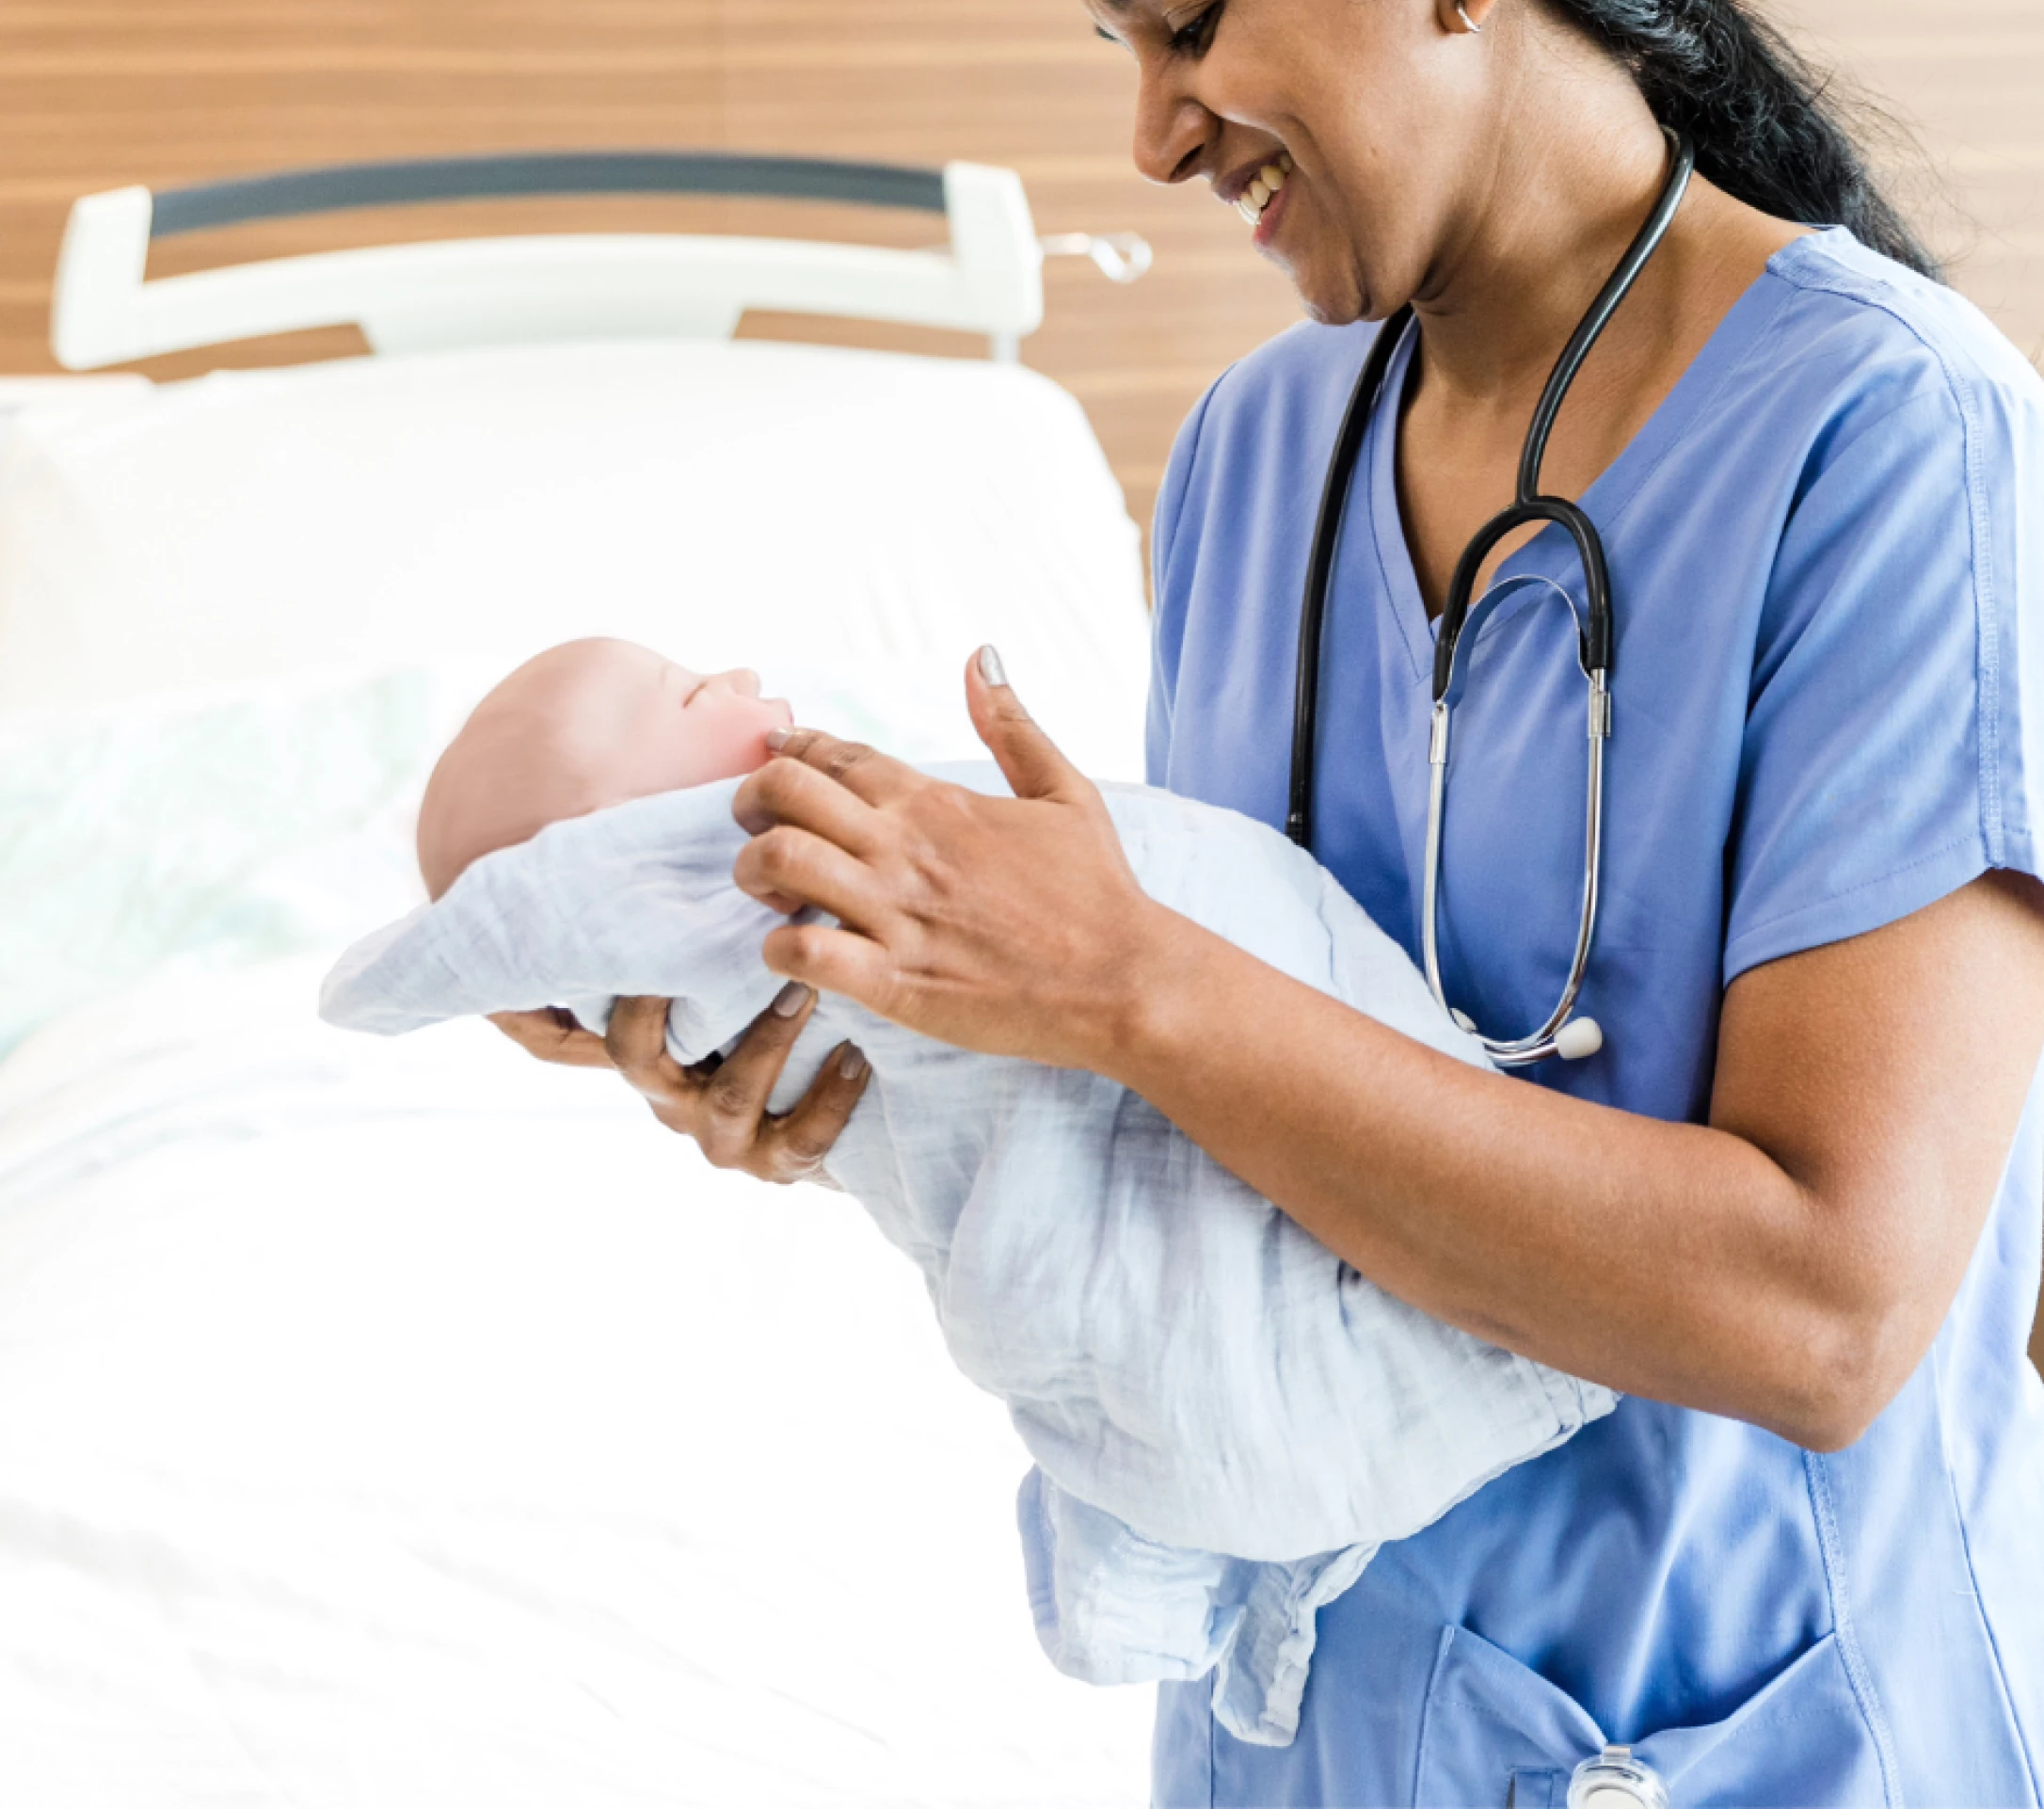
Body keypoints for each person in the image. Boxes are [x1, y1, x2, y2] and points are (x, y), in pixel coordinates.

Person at [491, 0, 2044, 1804]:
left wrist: (1121, 981)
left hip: (1764, 1714)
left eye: (1189, 22)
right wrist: (855, 1030)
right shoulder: (1258, 454)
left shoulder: (1896, 447)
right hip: (1314, 1719)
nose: (1158, 139)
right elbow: (1218, 1133)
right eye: (1124, 54)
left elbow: (1825, 1309)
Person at [336, 634, 1614, 1745]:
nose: (736, 673)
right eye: (685, 694)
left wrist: (1124, 973)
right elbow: (947, 1094)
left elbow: (1122, 927)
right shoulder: (743, 886)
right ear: (620, 844)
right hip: (1364, 1442)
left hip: (1616, 1434)